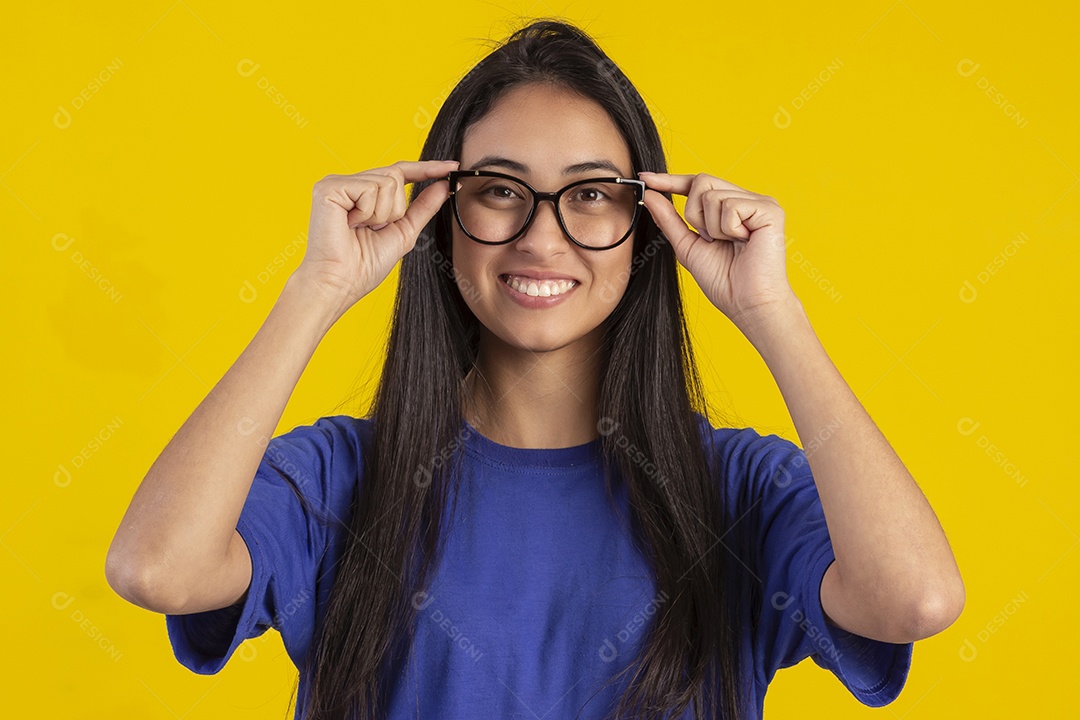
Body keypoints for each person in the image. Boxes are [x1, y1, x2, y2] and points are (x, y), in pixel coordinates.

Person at [105, 17, 965, 720]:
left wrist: (772, 313)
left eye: (590, 194)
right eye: (499, 190)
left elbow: (915, 601)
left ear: (646, 225)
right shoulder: (341, 478)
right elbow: (157, 570)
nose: (542, 238)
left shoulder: (736, 489)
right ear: (441, 217)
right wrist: (317, 289)